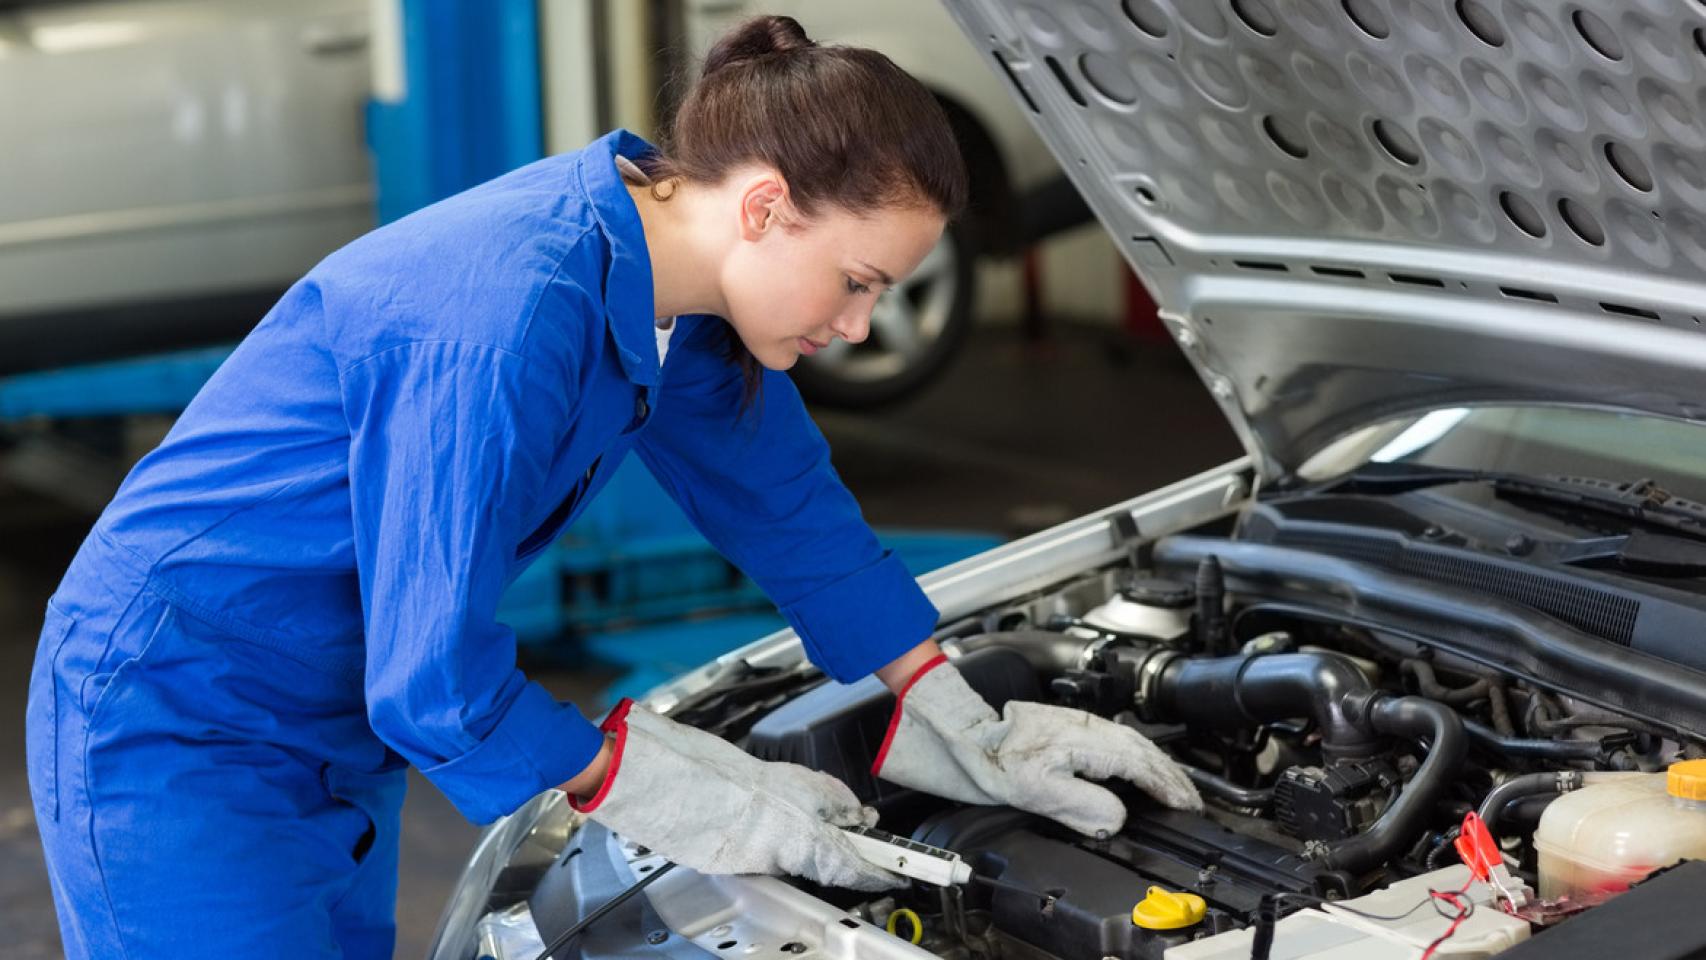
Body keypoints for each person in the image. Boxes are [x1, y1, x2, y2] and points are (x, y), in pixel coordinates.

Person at [24, 15, 1200, 959]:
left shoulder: (663, 285)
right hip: (177, 715)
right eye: (853, 280)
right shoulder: (509, 312)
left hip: (328, 720)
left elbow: (787, 503)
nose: (858, 324)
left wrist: (946, 707)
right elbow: (430, 678)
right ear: (762, 207)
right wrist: (665, 790)